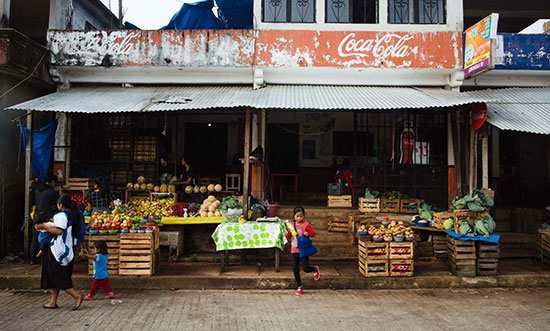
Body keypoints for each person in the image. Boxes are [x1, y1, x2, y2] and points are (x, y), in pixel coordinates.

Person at [35, 194, 84, 310]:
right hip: (66, 249)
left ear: (60, 205)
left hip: (59, 250)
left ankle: (77, 296)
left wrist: (44, 226)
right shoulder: (72, 215)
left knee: (59, 277)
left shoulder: (61, 215)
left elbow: (59, 231)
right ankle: (53, 301)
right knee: (53, 277)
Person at [286, 206, 320, 295]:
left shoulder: (306, 224)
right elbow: (287, 237)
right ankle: (300, 286)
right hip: (294, 249)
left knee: (305, 268)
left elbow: (313, 234)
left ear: (303, 216)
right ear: (294, 216)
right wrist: (289, 232)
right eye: (297, 216)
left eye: (301, 216)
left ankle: (314, 269)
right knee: (295, 269)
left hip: (303, 249)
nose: (299, 218)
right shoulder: (291, 225)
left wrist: (307, 233)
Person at [30, 174, 58, 264]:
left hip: (37, 215)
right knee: (48, 236)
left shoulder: (37, 190)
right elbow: (54, 207)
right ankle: (47, 257)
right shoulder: (51, 192)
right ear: (52, 182)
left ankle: (32, 258)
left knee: (35, 237)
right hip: (47, 217)